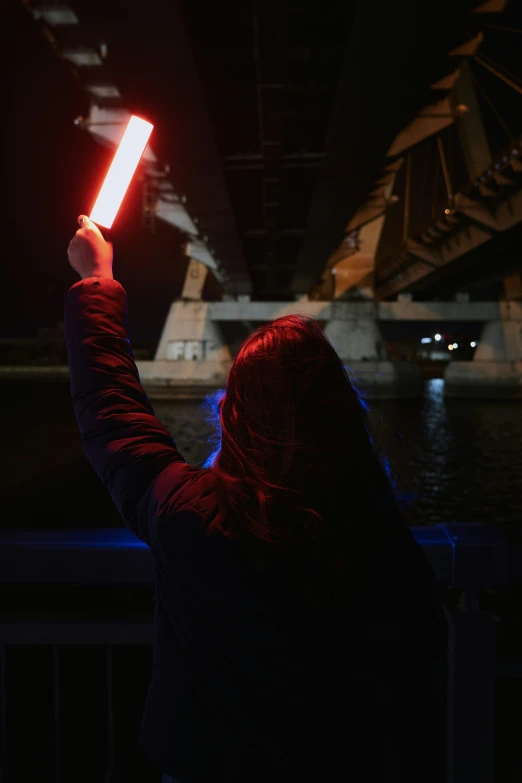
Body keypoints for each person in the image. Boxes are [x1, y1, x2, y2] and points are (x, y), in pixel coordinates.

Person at [66, 216, 448, 783]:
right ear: (339, 415)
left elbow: (114, 419)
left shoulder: (191, 517)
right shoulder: (381, 543)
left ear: (234, 414)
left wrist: (97, 281)